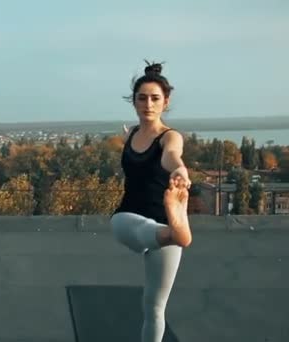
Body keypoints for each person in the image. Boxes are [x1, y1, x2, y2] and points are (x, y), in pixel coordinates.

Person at [110, 61, 192, 342]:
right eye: (142, 98)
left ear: (165, 102)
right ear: (134, 102)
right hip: (130, 217)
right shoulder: (132, 133)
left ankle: (174, 230)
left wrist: (179, 168)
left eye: (155, 98)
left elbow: (171, 155)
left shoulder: (170, 137)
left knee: (154, 308)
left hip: (163, 223)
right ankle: (174, 232)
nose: (148, 104)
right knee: (119, 223)